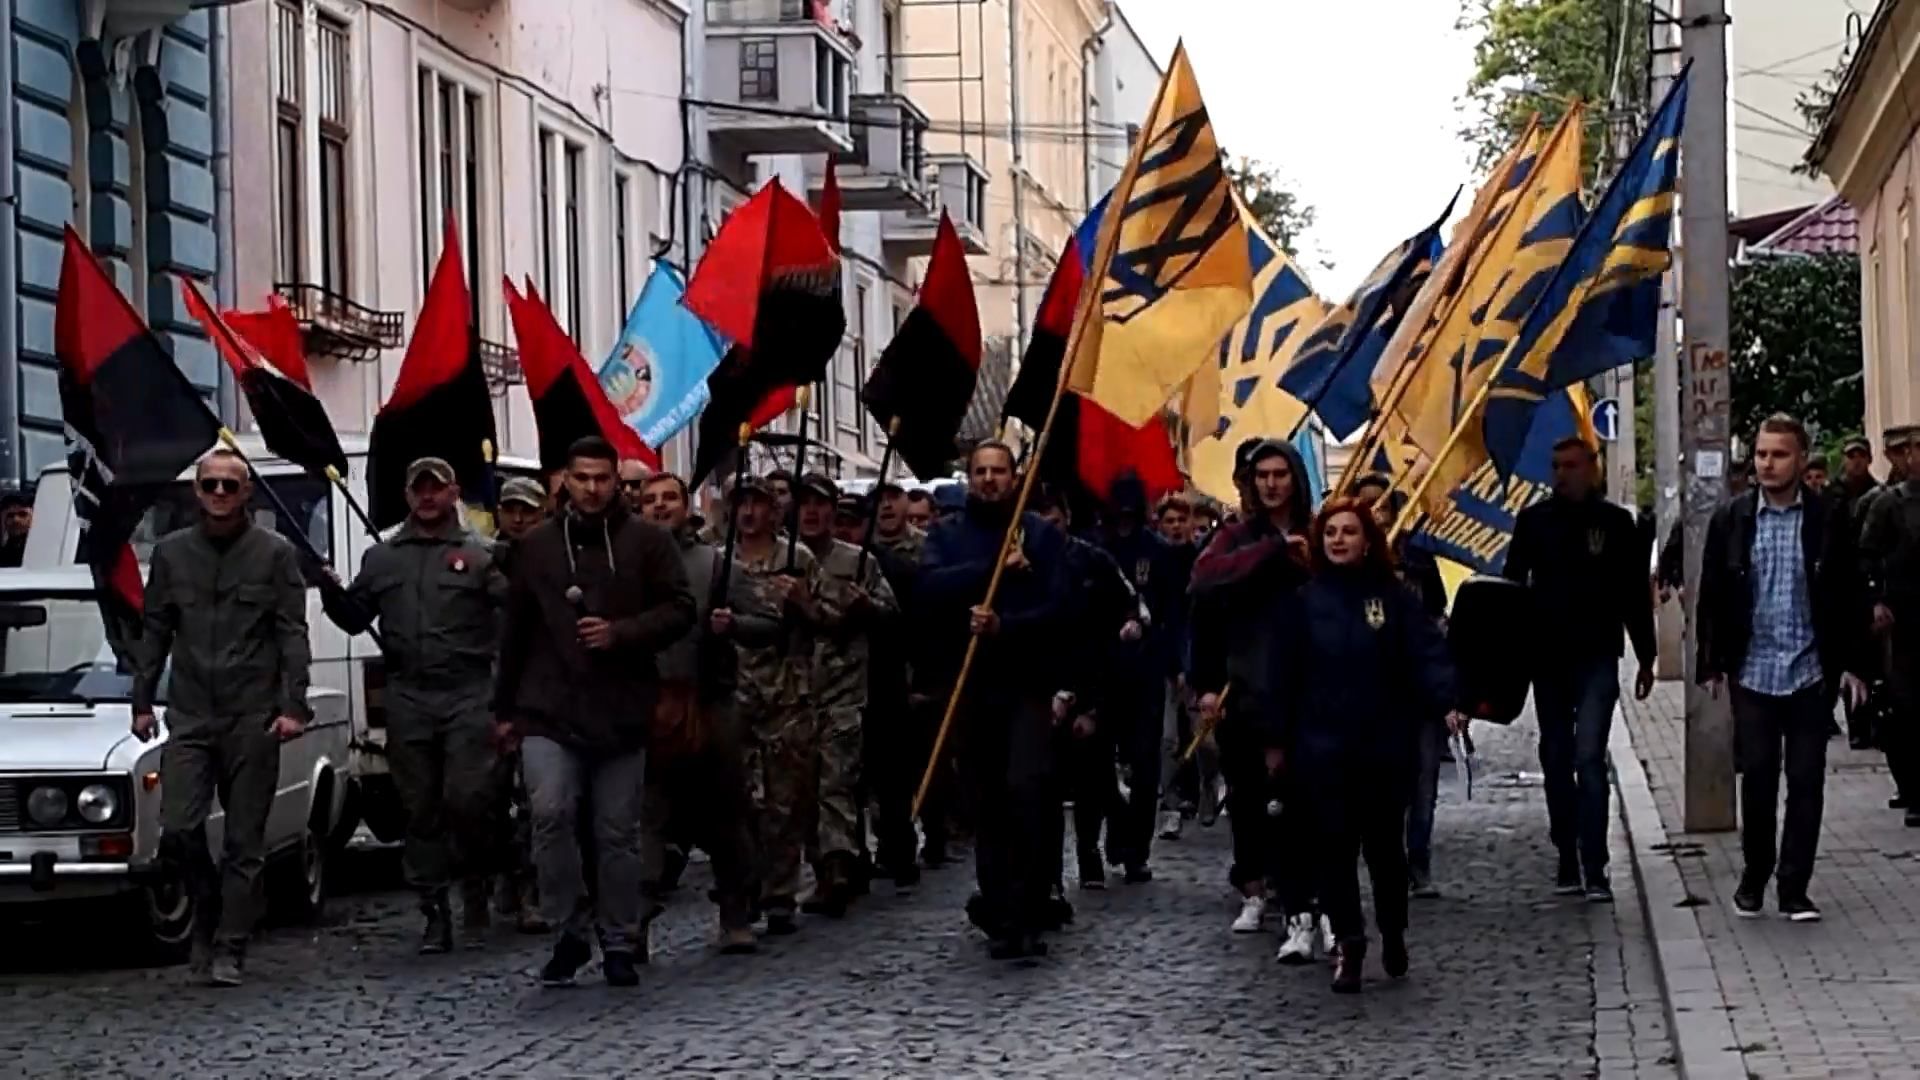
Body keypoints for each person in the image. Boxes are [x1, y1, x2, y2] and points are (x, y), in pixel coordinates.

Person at [495, 436, 696, 988]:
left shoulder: (648, 543)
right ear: (565, 482)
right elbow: (513, 630)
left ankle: (618, 939)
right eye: (582, 478)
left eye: (602, 479)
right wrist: (504, 709)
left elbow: (681, 608)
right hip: (548, 709)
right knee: (550, 813)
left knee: (616, 832)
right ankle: (569, 926)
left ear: (616, 482)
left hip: (621, 710)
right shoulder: (536, 546)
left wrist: (622, 633)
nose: (591, 488)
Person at [131, 449, 312, 987]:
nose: (218, 495)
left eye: (229, 486)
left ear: (247, 493)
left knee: (244, 840)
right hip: (190, 712)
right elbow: (155, 629)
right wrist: (142, 700)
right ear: (196, 491)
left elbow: (291, 634)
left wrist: (292, 706)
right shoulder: (170, 554)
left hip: (251, 715)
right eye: (210, 485)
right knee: (180, 827)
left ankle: (230, 945)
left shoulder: (275, 555)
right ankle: (206, 911)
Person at [1270, 497, 1464, 992]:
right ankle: (1351, 944)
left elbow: (1426, 655)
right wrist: (1274, 739)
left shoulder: (1394, 599)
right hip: (1323, 747)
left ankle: (1393, 930)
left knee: (1385, 851)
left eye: (1349, 531)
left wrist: (1448, 700)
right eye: (1330, 532)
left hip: (1383, 746)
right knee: (1332, 849)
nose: (1339, 539)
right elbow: (1281, 677)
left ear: (1367, 540)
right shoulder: (1302, 603)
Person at [322, 457, 508, 954]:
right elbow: (355, 618)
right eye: (418, 488)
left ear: (453, 493)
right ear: (407, 496)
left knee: (469, 799)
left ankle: (475, 882)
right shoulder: (383, 558)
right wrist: (330, 592)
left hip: (468, 691)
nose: (427, 497)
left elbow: (513, 619)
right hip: (409, 694)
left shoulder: (482, 555)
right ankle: (433, 909)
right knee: (418, 806)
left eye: (437, 488)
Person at [1699, 414, 1869, 922]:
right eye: (1761, 454)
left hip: (1809, 672)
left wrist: (1854, 665)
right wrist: (1711, 661)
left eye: (1779, 455)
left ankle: (1794, 886)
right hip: (1753, 671)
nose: (1767, 464)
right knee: (1758, 779)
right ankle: (1755, 875)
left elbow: (1848, 593)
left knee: (1806, 780)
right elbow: (1713, 593)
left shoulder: (1827, 517)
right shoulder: (1732, 518)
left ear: (1800, 459)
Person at [918, 441, 1074, 959]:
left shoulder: (1043, 535)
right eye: (980, 471)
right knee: (987, 801)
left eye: (998, 471)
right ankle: (1000, 906)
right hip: (968, 687)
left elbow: (1061, 608)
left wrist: (1007, 626)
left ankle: (1030, 905)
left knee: (1026, 790)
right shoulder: (947, 533)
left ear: (1015, 476)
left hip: (1025, 685)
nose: (989, 480)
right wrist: (992, 571)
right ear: (969, 477)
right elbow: (931, 590)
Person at [1503, 436, 1656, 902]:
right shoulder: (1534, 523)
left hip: (1596, 656)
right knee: (1556, 757)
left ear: (1592, 467)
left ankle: (1596, 864)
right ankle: (1566, 851)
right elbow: (1512, 588)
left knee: (1589, 758)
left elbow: (1633, 593)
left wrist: (1647, 656)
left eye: (1571, 465)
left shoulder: (1614, 524)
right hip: (1547, 659)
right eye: (1556, 466)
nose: (1563, 474)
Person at [1190, 438, 1315, 948]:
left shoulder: (1316, 532)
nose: (1270, 484)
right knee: (1246, 793)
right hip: (1244, 683)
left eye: (1280, 474)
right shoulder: (1236, 537)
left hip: (1306, 684)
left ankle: (1305, 892)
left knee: (1300, 795)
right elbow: (1204, 588)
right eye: (1262, 475)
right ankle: (1254, 885)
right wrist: (1202, 684)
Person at [635, 471, 761, 953]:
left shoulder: (716, 564)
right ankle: (635, 923)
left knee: (726, 811)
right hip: (648, 706)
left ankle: (734, 911)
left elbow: (768, 624)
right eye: (651, 499)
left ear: (686, 506)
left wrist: (733, 625)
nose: (661, 506)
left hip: (710, 702)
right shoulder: (626, 562)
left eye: (670, 498)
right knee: (647, 819)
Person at [726, 475, 829, 935]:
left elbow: (829, 620)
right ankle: (742, 887)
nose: (749, 514)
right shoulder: (719, 558)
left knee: (786, 796)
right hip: (733, 689)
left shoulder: (798, 558)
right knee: (739, 798)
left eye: (758, 504)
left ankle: (781, 890)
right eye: (741, 504)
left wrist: (802, 602)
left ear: (774, 510)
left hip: (786, 691)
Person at [793, 473, 897, 916]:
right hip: (790, 691)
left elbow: (891, 615)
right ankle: (823, 863)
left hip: (843, 688)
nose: (812, 513)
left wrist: (864, 607)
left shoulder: (859, 561)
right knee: (802, 785)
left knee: (837, 779)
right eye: (804, 504)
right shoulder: (782, 559)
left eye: (821, 504)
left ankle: (839, 867)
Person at [865, 481, 941, 882]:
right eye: (877, 504)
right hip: (869, 675)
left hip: (911, 671)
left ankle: (931, 832)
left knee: (919, 762)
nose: (885, 510)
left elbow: (924, 620)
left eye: (891, 500)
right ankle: (885, 846)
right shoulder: (865, 554)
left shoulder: (924, 550)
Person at [489, 476, 548, 933]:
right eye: (511, 509)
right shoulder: (479, 562)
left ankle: (533, 890)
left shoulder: (552, 561)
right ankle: (498, 878)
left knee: (535, 802)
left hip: (539, 695)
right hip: (484, 693)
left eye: (527, 509)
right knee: (486, 799)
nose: (519, 518)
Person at [1861, 423, 1920, 825]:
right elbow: (1865, 556)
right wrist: (1876, 601)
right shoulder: (1886, 504)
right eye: (1905, 451)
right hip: (1904, 619)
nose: (1912, 458)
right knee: (1905, 705)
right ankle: (1914, 789)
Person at [0, 487, 33, 567]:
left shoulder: (41, 551)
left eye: (22, 514)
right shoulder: (3, 553)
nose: (15, 520)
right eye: (10, 515)